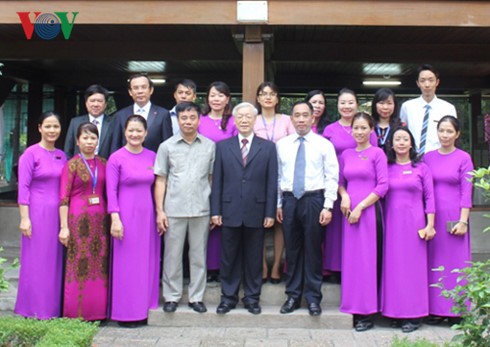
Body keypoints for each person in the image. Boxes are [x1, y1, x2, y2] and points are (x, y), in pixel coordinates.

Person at [211, 102, 277, 315]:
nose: (245, 120)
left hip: (256, 211)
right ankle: (228, 298)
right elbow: (217, 181)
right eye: (240, 117)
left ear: (255, 119)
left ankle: (251, 298)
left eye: (249, 116)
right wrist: (216, 210)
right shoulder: (222, 146)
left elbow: (271, 182)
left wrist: (269, 212)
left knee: (253, 258)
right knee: (228, 257)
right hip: (229, 210)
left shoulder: (268, 147)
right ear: (235, 120)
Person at [276, 101, 339, 317]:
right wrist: (278, 204)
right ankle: (293, 295)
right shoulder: (282, 144)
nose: (301, 119)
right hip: (289, 200)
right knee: (292, 251)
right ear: (291, 119)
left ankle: (313, 298)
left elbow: (332, 176)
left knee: (313, 250)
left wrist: (328, 205)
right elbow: (277, 177)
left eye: (305, 115)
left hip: (315, 200)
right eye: (297, 115)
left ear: (313, 118)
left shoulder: (323, 144)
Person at [154, 102, 215, 314]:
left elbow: (211, 178)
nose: (188, 122)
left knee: (199, 256)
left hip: (201, 209)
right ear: (178, 120)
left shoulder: (209, 146)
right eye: (184, 118)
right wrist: (160, 210)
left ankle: (196, 297)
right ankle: (171, 296)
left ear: (199, 120)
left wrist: (214, 210)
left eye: (192, 117)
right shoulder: (166, 146)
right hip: (174, 209)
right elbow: (161, 179)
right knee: (172, 255)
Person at [106, 115, 160, 327]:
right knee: (126, 265)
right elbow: (111, 191)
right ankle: (125, 312)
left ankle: (143, 309)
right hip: (125, 215)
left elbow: (158, 186)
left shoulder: (152, 156)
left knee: (145, 263)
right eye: (131, 130)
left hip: (147, 215)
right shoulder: (116, 158)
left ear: (146, 133)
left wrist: (159, 213)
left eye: (139, 131)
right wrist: (115, 218)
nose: (135, 134)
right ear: (124, 132)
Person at [381, 126, 436, 333]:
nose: (401, 142)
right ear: (392, 144)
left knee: (413, 270)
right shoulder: (386, 168)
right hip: (392, 224)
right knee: (394, 268)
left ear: (411, 143)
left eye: (405, 139)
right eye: (397, 139)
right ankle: (395, 312)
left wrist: (430, 224)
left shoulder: (421, 168)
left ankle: (414, 314)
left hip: (415, 225)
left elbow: (430, 197)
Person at [338, 112, 388, 331]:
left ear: (371, 131)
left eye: (363, 128)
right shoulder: (346, 154)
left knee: (368, 262)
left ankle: (368, 312)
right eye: (355, 128)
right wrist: (346, 196)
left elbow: (383, 186)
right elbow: (340, 182)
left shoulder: (377, 154)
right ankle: (353, 305)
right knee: (352, 262)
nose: (359, 132)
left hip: (368, 213)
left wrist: (360, 206)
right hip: (348, 214)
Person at [15, 111, 67, 319]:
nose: (52, 130)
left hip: (57, 215)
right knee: (36, 261)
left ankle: (51, 308)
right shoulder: (30, 154)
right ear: (39, 128)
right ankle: (32, 308)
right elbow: (23, 187)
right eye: (48, 126)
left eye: (55, 126)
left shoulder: (62, 155)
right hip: (36, 213)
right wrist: (24, 217)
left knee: (53, 261)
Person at [322, 88, 377, 279]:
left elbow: (374, 157)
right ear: (337, 105)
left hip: (360, 184)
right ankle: (334, 268)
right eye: (343, 102)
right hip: (336, 182)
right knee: (335, 228)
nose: (347, 106)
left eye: (350, 102)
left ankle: (355, 268)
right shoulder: (329, 130)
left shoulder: (367, 129)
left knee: (356, 228)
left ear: (357, 104)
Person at [424, 116, 473, 325]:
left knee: (456, 263)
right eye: (442, 131)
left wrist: (463, 221)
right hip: (432, 216)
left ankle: (458, 310)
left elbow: (467, 191)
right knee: (434, 262)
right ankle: (435, 309)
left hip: (454, 216)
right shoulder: (428, 158)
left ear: (457, 134)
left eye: (449, 131)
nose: (445, 135)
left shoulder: (464, 158)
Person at [58, 122, 109, 321]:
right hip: (78, 222)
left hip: (100, 223)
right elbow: (63, 198)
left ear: (98, 140)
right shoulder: (71, 165)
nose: (89, 142)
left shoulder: (104, 163)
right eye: (85, 138)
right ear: (77, 141)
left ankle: (97, 312)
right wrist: (64, 227)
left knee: (99, 266)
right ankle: (75, 313)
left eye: (93, 138)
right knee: (78, 266)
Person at [253, 81, 294, 284]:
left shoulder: (287, 120)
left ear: (278, 99)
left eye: (272, 94)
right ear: (258, 98)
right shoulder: (251, 120)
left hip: (283, 174)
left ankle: (277, 266)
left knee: (280, 221)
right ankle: (261, 266)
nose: (267, 97)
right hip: (257, 176)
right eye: (263, 94)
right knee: (259, 221)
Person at [198, 81, 237, 282]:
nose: (216, 99)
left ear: (227, 99)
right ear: (207, 98)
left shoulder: (233, 121)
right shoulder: (199, 120)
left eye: (221, 95)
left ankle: (223, 267)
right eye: (213, 95)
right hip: (203, 176)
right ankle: (206, 268)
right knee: (205, 221)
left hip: (228, 176)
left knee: (223, 222)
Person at [400, 64, 457, 154]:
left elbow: (453, 135)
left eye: (431, 80)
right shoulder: (407, 107)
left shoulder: (448, 108)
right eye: (422, 81)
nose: (427, 84)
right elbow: (402, 132)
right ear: (418, 83)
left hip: (439, 157)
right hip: (413, 157)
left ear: (437, 82)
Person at [110, 73, 173, 153]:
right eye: (136, 88)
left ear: (151, 90)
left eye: (143, 87)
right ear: (130, 92)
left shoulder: (163, 114)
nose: (140, 91)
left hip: (154, 163)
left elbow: (168, 145)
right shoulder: (120, 115)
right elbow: (115, 145)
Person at [64, 84, 113, 159]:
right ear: (86, 103)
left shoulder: (113, 122)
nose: (96, 104)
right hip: (79, 168)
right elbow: (68, 150)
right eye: (92, 101)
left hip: (105, 168)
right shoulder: (75, 122)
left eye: (100, 101)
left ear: (105, 104)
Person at [371, 88, 401, 154]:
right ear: (374, 105)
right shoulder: (368, 125)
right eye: (381, 103)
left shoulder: (400, 126)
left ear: (395, 105)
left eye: (389, 103)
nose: (385, 107)